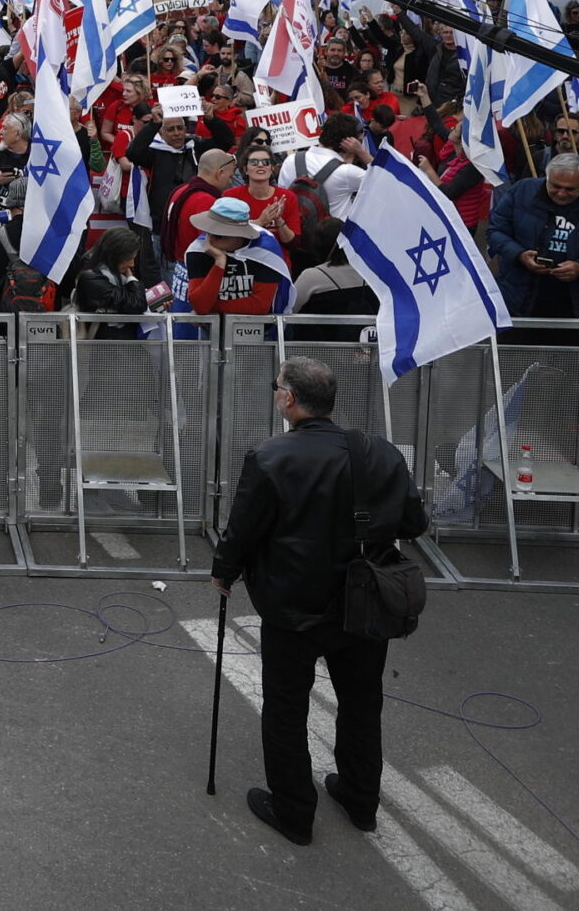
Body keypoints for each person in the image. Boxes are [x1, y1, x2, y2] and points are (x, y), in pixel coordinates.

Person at [212, 355, 429, 845]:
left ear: (288, 399)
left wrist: (223, 574)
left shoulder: (270, 457)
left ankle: (294, 812)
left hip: (294, 605)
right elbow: (414, 524)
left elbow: (241, 532)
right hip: (366, 599)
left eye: (277, 387)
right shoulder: (382, 453)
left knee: (286, 707)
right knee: (361, 702)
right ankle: (360, 800)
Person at [486, 154, 579, 322]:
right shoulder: (522, 191)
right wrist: (520, 255)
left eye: (570, 189)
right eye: (555, 186)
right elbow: (495, 232)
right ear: (547, 178)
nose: (561, 194)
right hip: (518, 300)